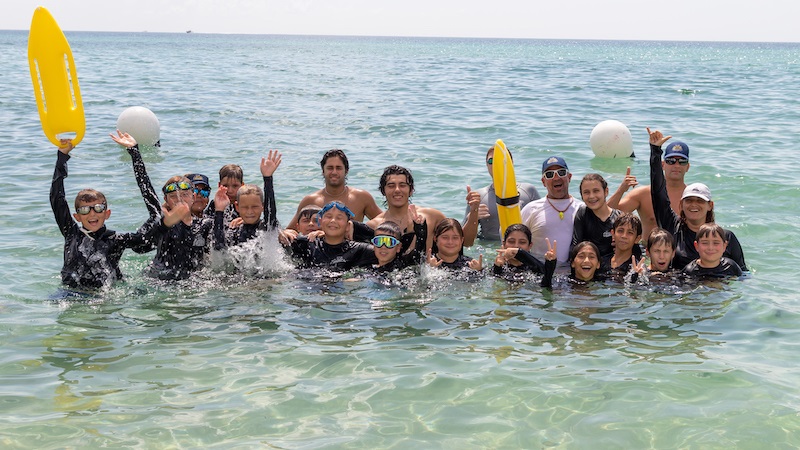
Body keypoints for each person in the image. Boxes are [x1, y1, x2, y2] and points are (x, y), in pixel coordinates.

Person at [51, 135, 160, 289]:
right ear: (77, 217)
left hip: (102, 299)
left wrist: (135, 153)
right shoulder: (71, 233)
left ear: (107, 213)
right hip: (70, 295)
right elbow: (57, 198)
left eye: (98, 208)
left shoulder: (116, 239)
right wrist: (62, 157)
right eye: (84, 210)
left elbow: (155, 218)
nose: (92, 214)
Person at [647, 128, 747, 271]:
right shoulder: (672, 228)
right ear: (681, 205)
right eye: (689, 200)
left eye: (700, 201)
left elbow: (743, 274)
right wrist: (655, 151)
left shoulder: (726, 237)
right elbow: (658, 194)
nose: (694, 205)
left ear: (710, 205)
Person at [608, 139, 692, 241]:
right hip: (647, 252)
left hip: (681, 253)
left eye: (682, 162)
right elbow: (607, 215)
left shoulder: (693, 198)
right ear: (662, 165)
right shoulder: (643, 194)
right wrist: (621, 190)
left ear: (687, 167)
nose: (676, 165)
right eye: (671, 161)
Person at [462, 145, 540, 246]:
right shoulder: (478, 197)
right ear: (486, 166)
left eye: (501, 160)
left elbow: (542, 227)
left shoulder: (528, 191)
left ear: (511, 163)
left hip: (521, 249)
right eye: (491, 161)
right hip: (490, 251)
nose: (496, 164)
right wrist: (472, 216)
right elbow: (464, 242)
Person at [287, 149, 382, 229]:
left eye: (339, 168)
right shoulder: (311, 200)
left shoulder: (361, 198)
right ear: (323, 171)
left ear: (346, 171)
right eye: (330, 168)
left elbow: (383, 222)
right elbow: (292, 229)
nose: (334, 172)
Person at [521, 156, 582, 267]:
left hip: (572, 275)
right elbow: (513, 238)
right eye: (550, 174)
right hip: (539, 273)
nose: (556, 178)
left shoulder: (582, 209)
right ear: (543, 182)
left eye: (561, 172)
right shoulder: (531, 209)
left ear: (569, 177)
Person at [213, 151, 282, 250]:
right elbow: (219, 247)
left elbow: (270, 212)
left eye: (254, 207)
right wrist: (219, 211)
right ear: (237, 207)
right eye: (245, 207)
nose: (250, 211)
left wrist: (268, 178)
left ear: (262, 207)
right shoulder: (234, 231)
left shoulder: (266, 228)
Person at [367, 165, 444, 252]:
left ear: (411, 190)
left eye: (402, 185)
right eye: (391, 186)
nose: (397, 190)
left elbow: (456, 241)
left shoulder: (432, 216)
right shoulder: (374, 225)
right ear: (383, 191)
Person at [288, 201, 377, 272]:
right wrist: (284, 233)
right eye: (328, 216)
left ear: (347, 226)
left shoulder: (360, 250)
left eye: (339, 218)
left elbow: (383, 244)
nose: (333, 221)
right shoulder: (306, 244)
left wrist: (356, 226)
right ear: (321, 222)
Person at [571, 173, 624, 260]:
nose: (591, 196)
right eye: (586, 192)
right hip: (591, 266)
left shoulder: (619, 218)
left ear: (606, 191)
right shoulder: (582, 214)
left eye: (596, 191)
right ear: (582, 196)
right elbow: (576, 247)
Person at [204, 164, 244, 228]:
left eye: (235, 186)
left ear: (242, 185)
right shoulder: (215, 204)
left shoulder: (246, 203)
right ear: (219, 185)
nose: (230, 190)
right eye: (225, 186)